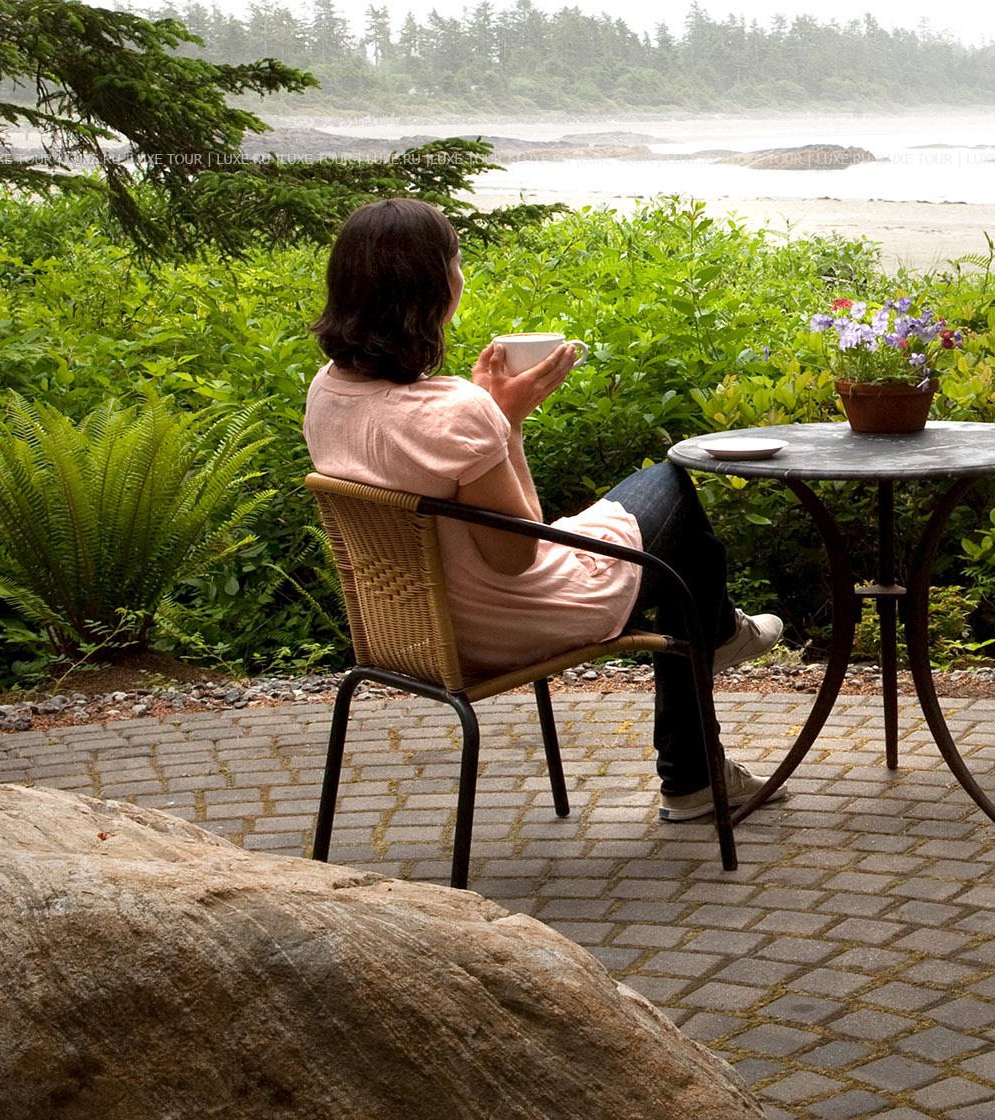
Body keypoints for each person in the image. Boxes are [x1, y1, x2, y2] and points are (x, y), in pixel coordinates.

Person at [301, 197, 786, 821]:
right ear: (436, 289)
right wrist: (505, 421)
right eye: (455, 263)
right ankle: (709, 677)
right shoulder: (455, 412)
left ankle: (713, 657)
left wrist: (487, 415)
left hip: (418, 630)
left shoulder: (327, 391)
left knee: (679, 544)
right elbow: (517, 553)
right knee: (674, 489)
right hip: (513, 621)